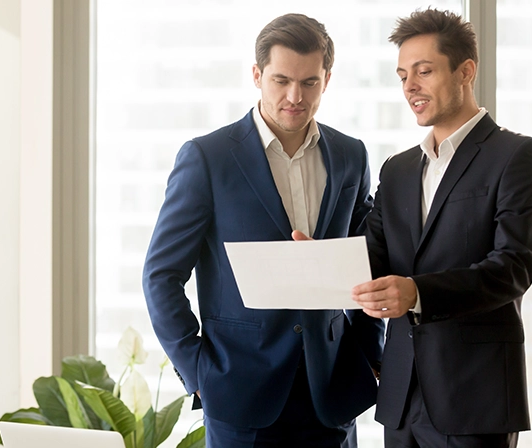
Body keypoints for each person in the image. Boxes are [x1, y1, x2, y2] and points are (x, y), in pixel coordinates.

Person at [142, 13, 385, 448]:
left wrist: (372, 355)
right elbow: (160, 276)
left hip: (330, 395)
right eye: (281, 80)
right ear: (257, 76)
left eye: (310, 82)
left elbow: (367, 262)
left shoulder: (351, 156)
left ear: (326, 80)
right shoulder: (207, 159)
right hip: (239, 394)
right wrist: (197, 371)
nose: (295, 96)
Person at [350, 8, 532, 448]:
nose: (410, 87)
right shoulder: (398, 169)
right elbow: (372, 257)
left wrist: (418, 293)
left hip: (475, 397)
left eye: (424, 71)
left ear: (466, 71)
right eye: (403, 75)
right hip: (401, 397)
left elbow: (513, 267)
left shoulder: (518, 156)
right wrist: (319, 261)